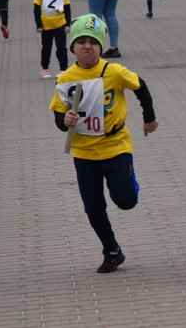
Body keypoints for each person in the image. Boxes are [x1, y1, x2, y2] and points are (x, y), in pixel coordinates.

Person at [50, 14, 158, 274]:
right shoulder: (65, 79)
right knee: (93, 206)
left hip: (116, 146)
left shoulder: (113, 71)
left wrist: (149, 118)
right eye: (81, 41)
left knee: (126, 200)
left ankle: (128, 185)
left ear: (101, 46)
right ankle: (111, 250)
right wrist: (65, 119)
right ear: (72, 47)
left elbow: (140, 86)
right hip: (84, 152)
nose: (87, 46)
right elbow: (57, 115)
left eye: (93, 42)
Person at [34, 0, 71, 79]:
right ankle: (45, 68)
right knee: (46, 48)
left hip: (60, 24)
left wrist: (68, 24)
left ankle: (63, 69)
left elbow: (67, 7)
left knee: (61, 48)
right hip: (46, 26)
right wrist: (38, 25)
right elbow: (36, 9)